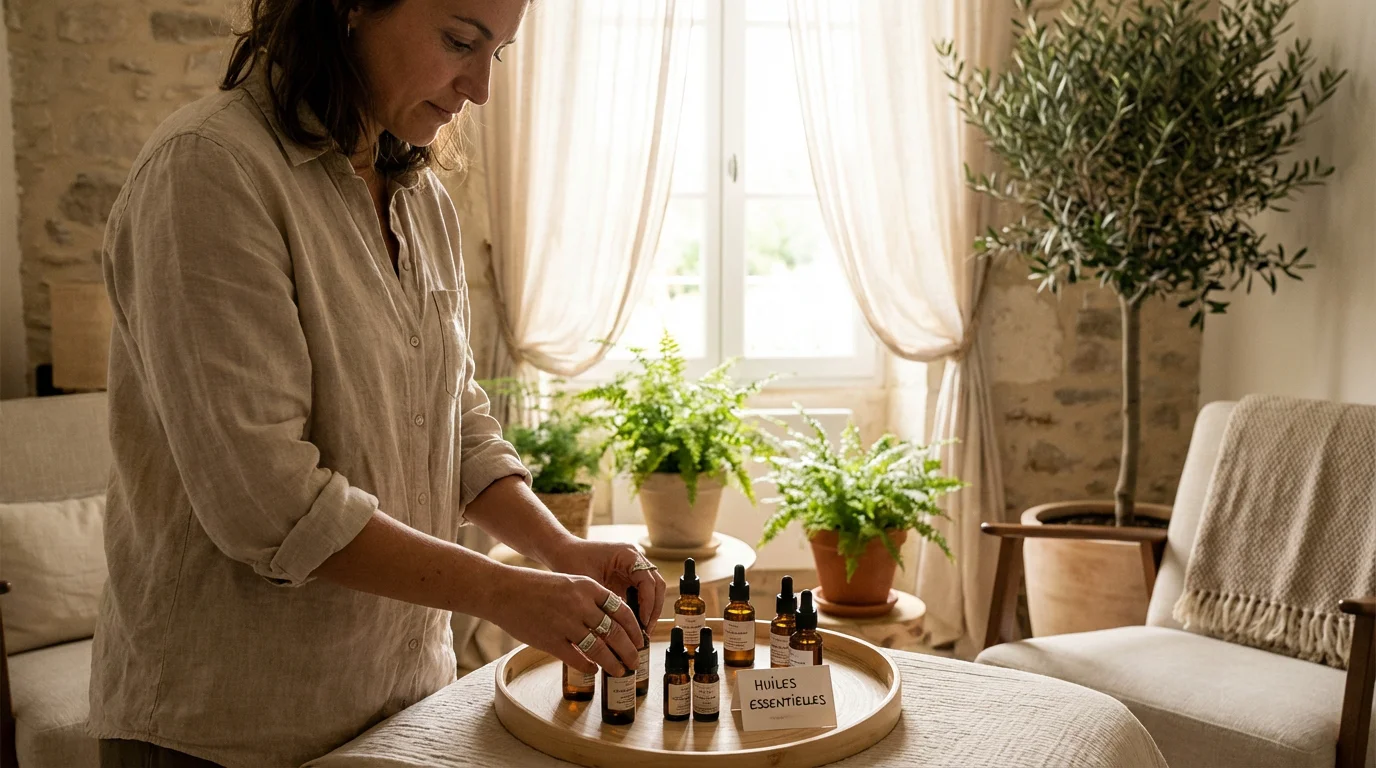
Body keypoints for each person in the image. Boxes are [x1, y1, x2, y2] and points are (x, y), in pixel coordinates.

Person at [89, 1, 665, 765]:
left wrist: (560, 549)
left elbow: (456, 424)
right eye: (460, 41)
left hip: (400, 707)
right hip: (227, 728)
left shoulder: (420, 201)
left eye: (496, 53)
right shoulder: (208, 170)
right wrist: (502, 592)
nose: (479, 89)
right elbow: (269, 502)